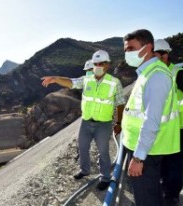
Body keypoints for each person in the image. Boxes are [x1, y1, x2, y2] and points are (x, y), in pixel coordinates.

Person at [41, 52, 125, 190]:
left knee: (103, 151)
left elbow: (120, 103)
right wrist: (55, 79)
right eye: (95, 64)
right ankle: (85, 170)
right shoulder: (87, 80)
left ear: (107, 65)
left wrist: (119, 122)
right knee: (83, 146)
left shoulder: (115, 83)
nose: (98, 66)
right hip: (86, 122)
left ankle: (105, 177)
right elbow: (71, 82)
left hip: (103, 124)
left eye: (101, 63)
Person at [122, 29, 180, 206]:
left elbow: (151, 121)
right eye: (125, 50)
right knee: (150, 195)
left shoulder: (156, 76)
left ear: (147, 48)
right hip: (144, 147)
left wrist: (138, 158)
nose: (127, 54)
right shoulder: (147, 72)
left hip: (147, 151)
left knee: (147, 199)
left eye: (131, 48)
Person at [154, 38, 183, 205]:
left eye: (160, 55)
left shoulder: (178, 73)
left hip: (179, 127)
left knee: (176, 164)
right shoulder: (154, 75)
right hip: (161, 127)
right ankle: (164, 188)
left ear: (166, 55)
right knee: (162, 162)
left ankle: (171, 195)